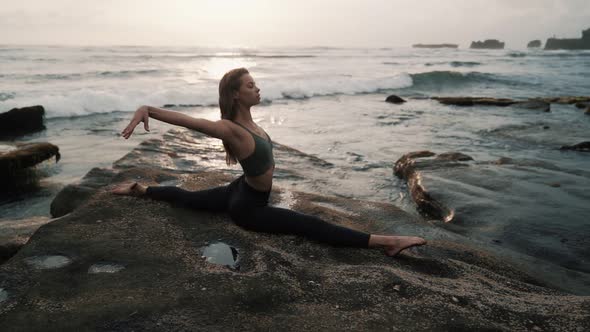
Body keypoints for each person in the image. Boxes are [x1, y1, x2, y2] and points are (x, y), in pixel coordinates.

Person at [113, 68, 426, 256]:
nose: (257, 88)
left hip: (241, 190)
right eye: (250, 86)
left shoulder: (250, 123)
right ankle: (390, 242)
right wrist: (149, 110)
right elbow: (190, 121)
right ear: (236, 95)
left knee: (191, 198)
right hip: (249, 208)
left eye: (255, 83)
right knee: (311, 226)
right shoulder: (231, 130)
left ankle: (142, 190)